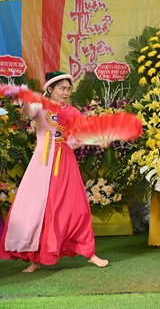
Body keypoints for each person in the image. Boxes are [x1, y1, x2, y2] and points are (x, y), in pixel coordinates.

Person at [0, 71, 108, 272]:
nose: (66, 92)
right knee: (38, 210)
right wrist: (24, 97)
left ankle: (89, 253)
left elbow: (80, 135)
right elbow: (27, 112)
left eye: (68, 89)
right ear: (50, 88)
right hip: (42, 162)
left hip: (65, 161)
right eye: (61, 88)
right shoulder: (40, 106)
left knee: (78, 209)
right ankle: (36, 259)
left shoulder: (73, 112)